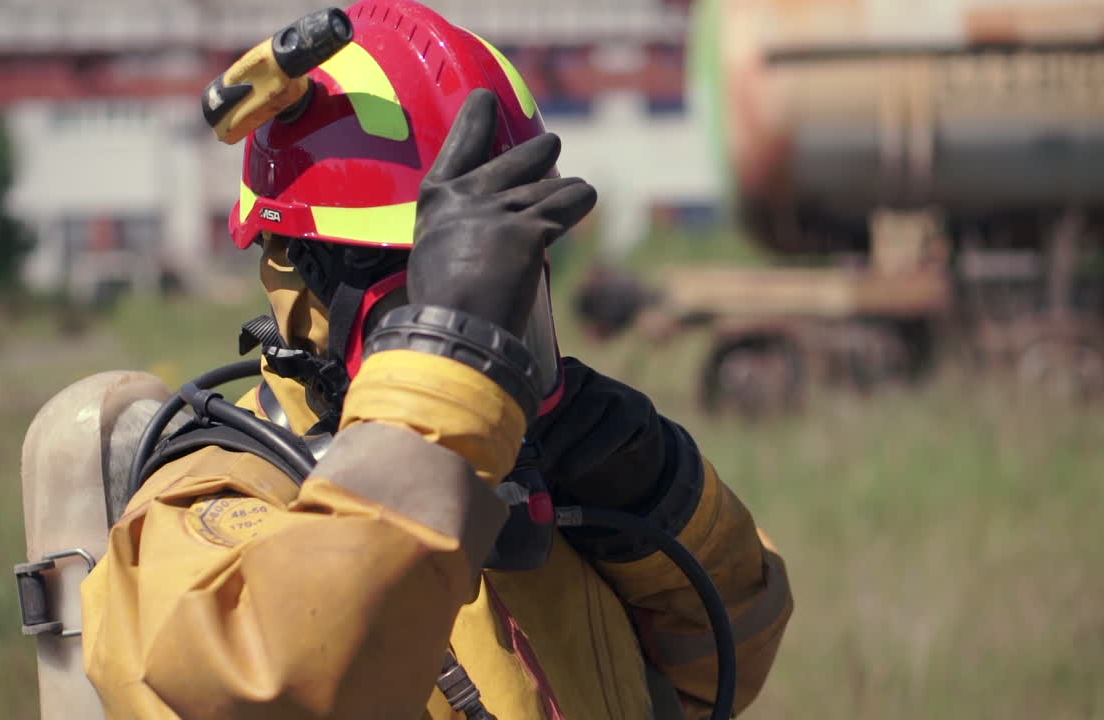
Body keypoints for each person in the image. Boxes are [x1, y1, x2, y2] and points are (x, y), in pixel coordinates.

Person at [80, 2, 792, 718]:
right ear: (298, 275)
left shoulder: (545, 479)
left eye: (510, 306)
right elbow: (280, 686)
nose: (490, 354)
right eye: (424, 305)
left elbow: (731, 662)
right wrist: (441, 396)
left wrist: (662, 496)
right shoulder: (206, 513)